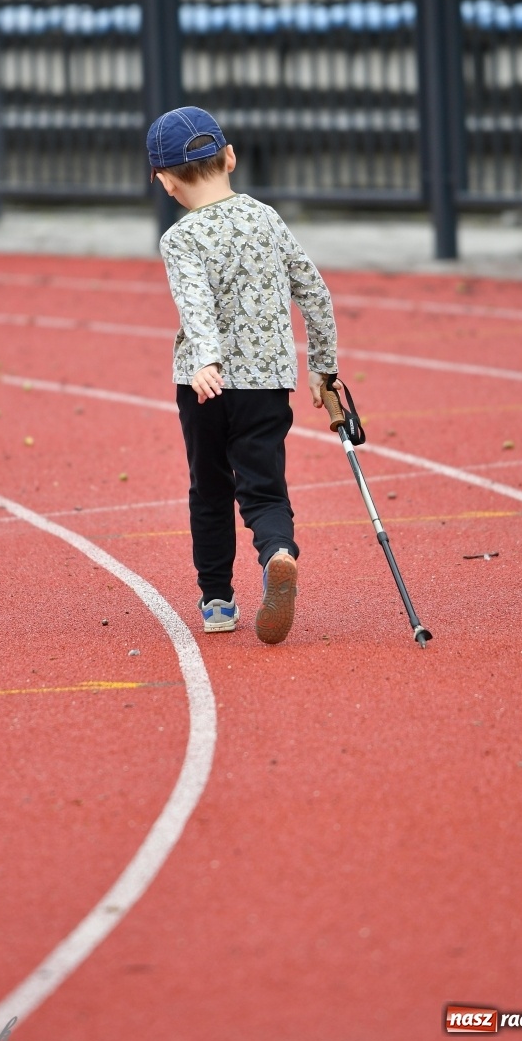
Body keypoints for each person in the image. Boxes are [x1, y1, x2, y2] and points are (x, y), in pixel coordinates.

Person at [147, 105, 340, 645]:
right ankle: (278, 552)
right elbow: (315, 293)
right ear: (230, 157)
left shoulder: (179, 238)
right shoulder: (266, 218)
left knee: (209, 488)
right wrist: (325, 370)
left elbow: (195, 303)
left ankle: (216, 601)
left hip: (204, 386)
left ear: (163, 182)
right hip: (268, 381)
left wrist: (206, 358)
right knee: (264, 486)